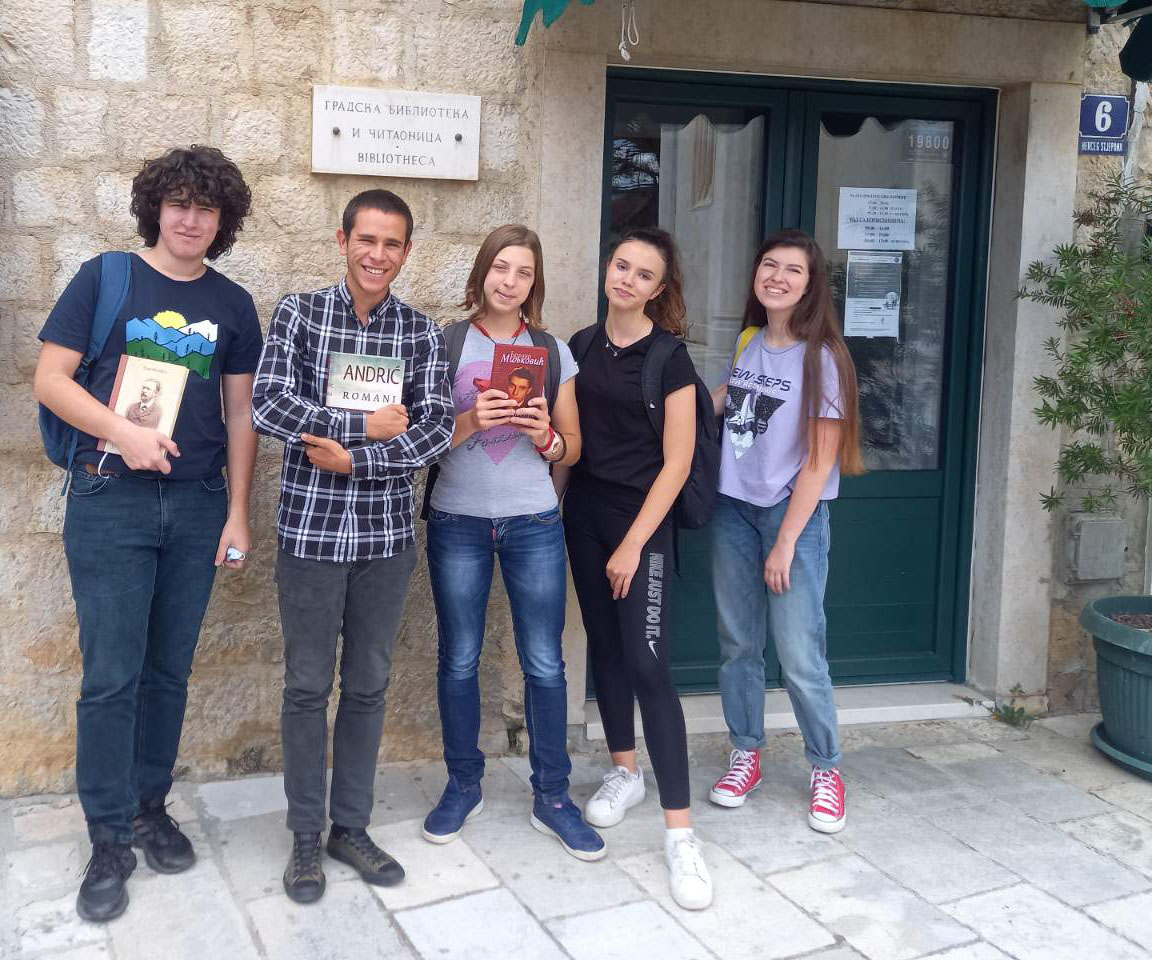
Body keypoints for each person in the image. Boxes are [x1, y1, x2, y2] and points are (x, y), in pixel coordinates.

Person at [33, 145, 261, 922]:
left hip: (198, 505)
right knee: (112, 675)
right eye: (179, 204)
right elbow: (51, 380)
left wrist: (238, 511)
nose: (191, 219)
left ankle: (147, 806)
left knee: (168, 672)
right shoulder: (105, 279)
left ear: (224, 220)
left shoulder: (233, 304)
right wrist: (121, 433)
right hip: (111, 501)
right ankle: (107, 837)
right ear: (156, 209)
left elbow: (240, 414)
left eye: (207, 208)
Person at [252, 189, 453, 904]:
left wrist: (355, 460)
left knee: (368, 686)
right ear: (343, 241)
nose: (377, 254)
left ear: (407, 252)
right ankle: (306, 835)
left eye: (392, 244)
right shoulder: (300, 314)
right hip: (309, 534)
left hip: (385, 540)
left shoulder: (420, 333)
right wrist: (361, 426)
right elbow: (269, 403)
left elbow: (435, 430)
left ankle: (351, 827)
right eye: (366, 239)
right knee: (307, 687)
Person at [421, 224, 605, 861]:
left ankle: (552, 795)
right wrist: (473, 419)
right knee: (459, 658)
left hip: (533, 522)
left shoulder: (552, 351)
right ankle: (462, 785)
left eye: (523, 272)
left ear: (535, 283)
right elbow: (422, 442)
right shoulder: (445, 342)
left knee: (546, 662)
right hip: (457, 521)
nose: (510, 281)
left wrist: (545, 436)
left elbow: (572, 449)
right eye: (501, 267)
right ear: (483, 272)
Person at [560, 227, 713, 910]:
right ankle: (625, 771)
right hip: (584, 515)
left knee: (649, 665)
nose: (626, 279)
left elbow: (677, 464)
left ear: (659, 288)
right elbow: (572, 442)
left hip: (640, 523)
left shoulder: (669, 358)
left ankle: (681, 835)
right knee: (606, 649)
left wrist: (633, 544)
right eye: (621, 265)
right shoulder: (582, 344)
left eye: (642, 274)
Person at [706, 229, 863, 835]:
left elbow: (820, 462)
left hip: (789, 517)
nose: (777, 277)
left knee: (799, 653)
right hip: (732, 509)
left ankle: (826, 767)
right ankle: (746, 753)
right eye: (769, 265)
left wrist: (787, 541)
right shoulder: (748, 341)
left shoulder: (824, 358)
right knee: (738, 644)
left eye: (792, 270)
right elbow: (724, 402)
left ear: (811, 284)